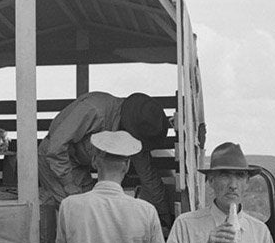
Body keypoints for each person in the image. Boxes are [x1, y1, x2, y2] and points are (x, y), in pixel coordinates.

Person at [37, 91, 173, 228]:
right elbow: (56, 148)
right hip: (55, 160)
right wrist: (69, 185)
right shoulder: (94, 110)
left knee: (97, 215)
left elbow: (147, 172)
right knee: (78, 216)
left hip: (79, 166)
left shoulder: (135, 127)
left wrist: (163, 213)